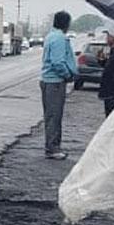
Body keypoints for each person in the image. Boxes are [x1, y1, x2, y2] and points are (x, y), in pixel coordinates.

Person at [39, 10, 79, 160]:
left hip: (49, 82)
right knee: (54, 116)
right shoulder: (59, 39)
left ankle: (52, 146)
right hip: (54, 83)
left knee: (51, 115)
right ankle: (53, 148)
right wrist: (68, 75)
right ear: (66, 24)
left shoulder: (51, 36)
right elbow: (58, 62)